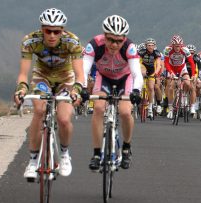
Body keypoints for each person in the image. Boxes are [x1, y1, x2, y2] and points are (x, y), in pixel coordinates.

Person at [14, 8, 84, 179]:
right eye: (48, 31)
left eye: (56, 31)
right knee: (39, 111)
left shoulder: (72, 41)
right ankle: (32, 160)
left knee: (64, 118)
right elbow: (23, 73)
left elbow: (80, 74)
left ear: (62, 31)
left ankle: (65, 153)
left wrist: (77, 90)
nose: (52, 35)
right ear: (41, 29)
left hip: (65, 77)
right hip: (42, 77)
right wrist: (21, 89)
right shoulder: (30, 41)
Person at [83, 15, 143, 170]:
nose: (114, 44)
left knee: (124, 111)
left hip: (125, 78)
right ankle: (97, 154)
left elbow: (137, 73)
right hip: (104, 78)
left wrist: (136, 90)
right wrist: (82, 86)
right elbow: (84, 69)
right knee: (98, 108)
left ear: (124, 39)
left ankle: (126, 147)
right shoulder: (94, 44)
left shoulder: (129, 47)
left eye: (119, 40)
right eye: (110, 40)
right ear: (104, 35)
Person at [163, 35, 196, 119]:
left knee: (188, 83)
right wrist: (171, 72)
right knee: (171, 87)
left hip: (182, 68)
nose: (178, 48)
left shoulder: (185, 49)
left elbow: (192, 63)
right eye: (176, 46)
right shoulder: (167, 49)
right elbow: (166, 63)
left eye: (179, 46)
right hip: (172, 69)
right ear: (172, 45)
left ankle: (184, 96)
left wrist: (193, 75)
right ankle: (170, 109)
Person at [138, 38, 161, 118]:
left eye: (152, 45)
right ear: (146, 46)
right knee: (142, 72)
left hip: (152, 71)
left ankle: (150, 107)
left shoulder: (156, 53)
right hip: (143, 68)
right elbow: (138, 62)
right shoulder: (142, 52)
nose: (150, 47)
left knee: (151, 88)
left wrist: (155, 73)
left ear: (154, 46)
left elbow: (158, 65)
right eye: (149, 45)